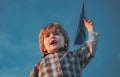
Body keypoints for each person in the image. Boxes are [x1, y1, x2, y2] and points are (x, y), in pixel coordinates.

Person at [30, 19, 98, 77]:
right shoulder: (40, 64)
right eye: (47, 36)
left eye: (56, 33)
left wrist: (90, 29)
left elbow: (89, 47)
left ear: (65, 43)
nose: (52, 37)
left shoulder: (75, 56)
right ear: (44, 47)